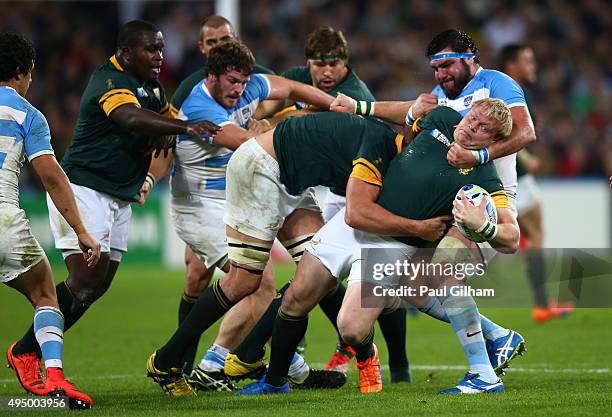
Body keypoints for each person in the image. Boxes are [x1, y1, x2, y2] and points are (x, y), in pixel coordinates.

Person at [146, 107, 449, 396]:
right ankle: (166, 362)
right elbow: (357, 213)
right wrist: (419, 232)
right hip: (261, 168)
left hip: (290, 180)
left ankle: (260, 361)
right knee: (244, 281)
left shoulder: (392, 149)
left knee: (317, 272)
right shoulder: (381, 145)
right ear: (412, 136)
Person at [235, 99, 521, 395]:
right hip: (353, 225)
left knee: (351, 328)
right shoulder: (442, 118)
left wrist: (485, 227)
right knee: (296, 296)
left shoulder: (484, 178)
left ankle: (370, 348)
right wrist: (363, 107)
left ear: (494, 141)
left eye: (483, 128)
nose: (472, 127)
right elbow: (407, 118)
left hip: (393, 248)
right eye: (473, 118)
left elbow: (511, 236)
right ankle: (274, 382)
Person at [7, 20, 220, 392]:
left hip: (119, 196)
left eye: (161, 48)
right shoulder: (110, 80)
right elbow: (128, 117)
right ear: (126, 52)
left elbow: (165, 129)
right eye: (151, 49)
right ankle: (28, 352)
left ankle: (28, 349)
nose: (159, 56)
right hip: (84, 187)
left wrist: (154, 173)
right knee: (86, 277)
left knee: (97, 284)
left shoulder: (153, 87)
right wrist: (183, 128)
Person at [143, 39, 339, 395]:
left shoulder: (248, 87)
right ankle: (267, 366)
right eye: (232, 81)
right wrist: (286, 125)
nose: (239, 89)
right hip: (202, 205)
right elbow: (249, 144)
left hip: (245, 193)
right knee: (255, 281)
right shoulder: (201, 106)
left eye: (244, 82)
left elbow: (292, 87)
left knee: (319, 263)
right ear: (212, 76)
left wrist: (338, 106)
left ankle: (218, 363)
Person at [141, 14, 275, 380]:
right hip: (201, 200)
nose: (219, 46)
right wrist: (153, 179)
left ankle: (198, 361)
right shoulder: (190, 90)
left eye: (225, 40)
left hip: (231, 201)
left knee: (247, 281)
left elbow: (273, 102)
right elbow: (168, 138)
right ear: (202, 49)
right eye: (212, 43)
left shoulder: (247, 77)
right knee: (215, 278)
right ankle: (192, 360)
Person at [273, 26, 410, 380]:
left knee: (372, 279)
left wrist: (291, 119)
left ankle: (398, 363)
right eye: (320, 64)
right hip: (330, 193)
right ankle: (344, 344)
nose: (327, 72)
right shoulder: (296, 79)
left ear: (345, 63)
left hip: (359, 188)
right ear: (308, 63)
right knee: (318, 274)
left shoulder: (354, 95)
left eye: (334, 63)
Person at [1, 33, 102, 409]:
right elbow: (52, 177)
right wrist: (81, 231)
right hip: (3, 220)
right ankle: (54, 379)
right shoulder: (28, 114)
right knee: (46, 295)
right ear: (21, 72)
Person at [499, 43, 574, 322]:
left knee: (529, 236)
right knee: (535, 235)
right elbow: (505, 131)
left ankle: (543, 302)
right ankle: (542, 304)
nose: (533, 66)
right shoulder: (507, 90)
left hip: (514, 174)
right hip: (515, 175)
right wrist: (525, 155)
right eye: (527, 60)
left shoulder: (517, 91)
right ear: (511, 64)